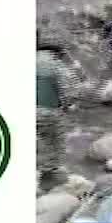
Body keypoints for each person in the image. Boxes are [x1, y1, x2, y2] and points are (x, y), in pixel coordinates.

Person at [37, 32, 85, 191]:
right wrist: (68, 106)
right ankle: (48, 177)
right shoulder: (56, 64)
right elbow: (70, 91)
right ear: (57, 51)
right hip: (46, 111)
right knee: (54, 142)